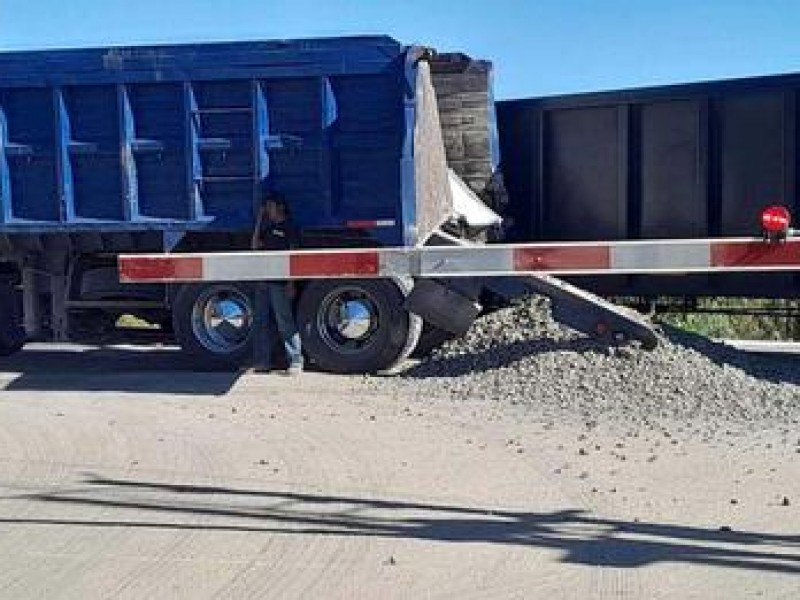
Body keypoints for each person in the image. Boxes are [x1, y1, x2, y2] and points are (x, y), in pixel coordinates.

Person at [251, 194, 303, 375]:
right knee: (261, 322)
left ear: (280, 207)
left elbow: (294, 257)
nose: (268, 210)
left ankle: (296, 360)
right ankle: (263, 362)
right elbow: (255, 245)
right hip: (264, 281)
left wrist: (291, 283)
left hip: (280, 283)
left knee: (284, 322)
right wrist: (259, 220)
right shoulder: (269, 228)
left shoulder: (290, 228)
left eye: (270, 206)